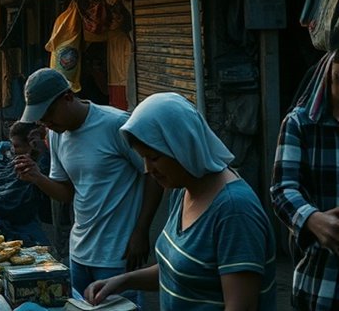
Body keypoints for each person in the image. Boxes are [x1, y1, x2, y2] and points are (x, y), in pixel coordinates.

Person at [86, 92, 276, 310]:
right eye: (143, 158)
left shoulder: (234, 211)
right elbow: (181, 270)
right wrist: (124, 281)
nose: (148, 169)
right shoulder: (182, 189)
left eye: (155, 158)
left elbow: (240, 307)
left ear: (182, 145)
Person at [13, 68, 161, 308]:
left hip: (117, 253)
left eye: (48, 113)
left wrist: (142, 230)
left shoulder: (116, 124)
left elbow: (152, 175)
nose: (45, 122)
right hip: (79, 252)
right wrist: (37, 177)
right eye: (40, 118)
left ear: (68, 97)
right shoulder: (56, 135)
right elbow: (67, 193)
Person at [271, 50, 339, 310]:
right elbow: (282, 189)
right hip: (321, 284)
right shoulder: (301, 123)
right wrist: (313, 220)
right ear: (327, 76)